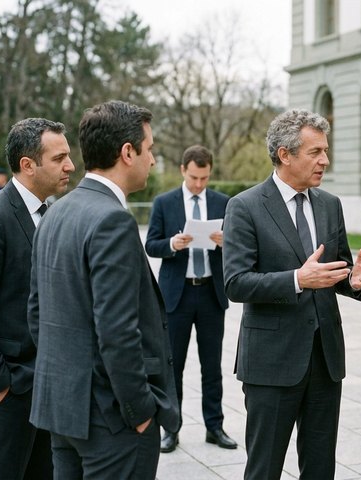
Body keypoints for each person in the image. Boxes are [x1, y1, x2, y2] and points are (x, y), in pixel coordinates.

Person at [28, 100, 180, 478]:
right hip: (112, 422)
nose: (154, 160)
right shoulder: (112, 220)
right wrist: (140, 411)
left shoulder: (55, 212)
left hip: (62, 410)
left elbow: (36, 312)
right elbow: (117, 331)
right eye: (151, 149)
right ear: (128, 152)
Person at [223, 108, 361, 479]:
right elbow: (236, 282)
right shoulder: (244, 207)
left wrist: (351, 281)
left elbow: (334, 270)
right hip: (272, 363)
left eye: (325, 151)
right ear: (285, 155)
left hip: (325, 360)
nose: (325, 160)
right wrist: (296, 279)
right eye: (315, 152)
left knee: (321, 467)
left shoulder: (329, 204)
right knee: (264, 468)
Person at [0, 118, 74, 479]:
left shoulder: (52, 214)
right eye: (59, 157)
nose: (70, 166)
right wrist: (0, 384)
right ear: (28, 165)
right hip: (11, 390)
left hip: (49, 387)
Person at [145, 145, 237, 453]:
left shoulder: (223, 203)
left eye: (205, 178)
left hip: (211, 293)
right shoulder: (164, 202)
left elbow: (240, 247)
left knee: (212, 366)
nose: (199, 184)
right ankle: (171, 429)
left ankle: (215, 427)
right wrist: (172, 243)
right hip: (177, 296)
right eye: (195, 177)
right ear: (183, 170)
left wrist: (227, 243)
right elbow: (151, 245)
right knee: (174, 366)